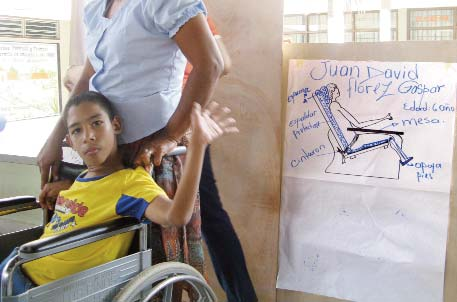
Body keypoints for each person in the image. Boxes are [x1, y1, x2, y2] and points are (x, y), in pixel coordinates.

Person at [38, 1, 257, 301]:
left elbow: (213, 64)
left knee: (156, 265)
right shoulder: (96, 8)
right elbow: (89, 78)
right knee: (113, 261)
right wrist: (55, 136)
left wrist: (170, 134)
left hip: (152, 154)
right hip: (110, 154)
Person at [1, 91, 238, 294]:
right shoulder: (82, 179)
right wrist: (64, 191)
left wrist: (197, 147)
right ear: (70, 142)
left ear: (115, 125)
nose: (89, 136)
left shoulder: (130, 182)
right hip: (18, 268)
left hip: (42, 288)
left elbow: (176, 216)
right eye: (76, 131)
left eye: (96, 123)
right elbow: (95, 199)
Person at [182, 17, 257, 302]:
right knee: (209, 216)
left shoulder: (182, 9)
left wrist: (184, 75)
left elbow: (219, 63)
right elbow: (222, 61)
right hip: (184, 121)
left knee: (204, 215)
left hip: (177, 124)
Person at [321, 83, 413, 166]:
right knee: (390, 137)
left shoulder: (332, 107)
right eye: (336, 88)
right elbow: (358, 124)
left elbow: (352, 128)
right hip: (354, 143)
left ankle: (404, 159)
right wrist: (383, 118)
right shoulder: (336, 106)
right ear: (332, 92)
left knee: (389, 135)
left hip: (354, 140)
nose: (338, 90)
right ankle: (404, 159)